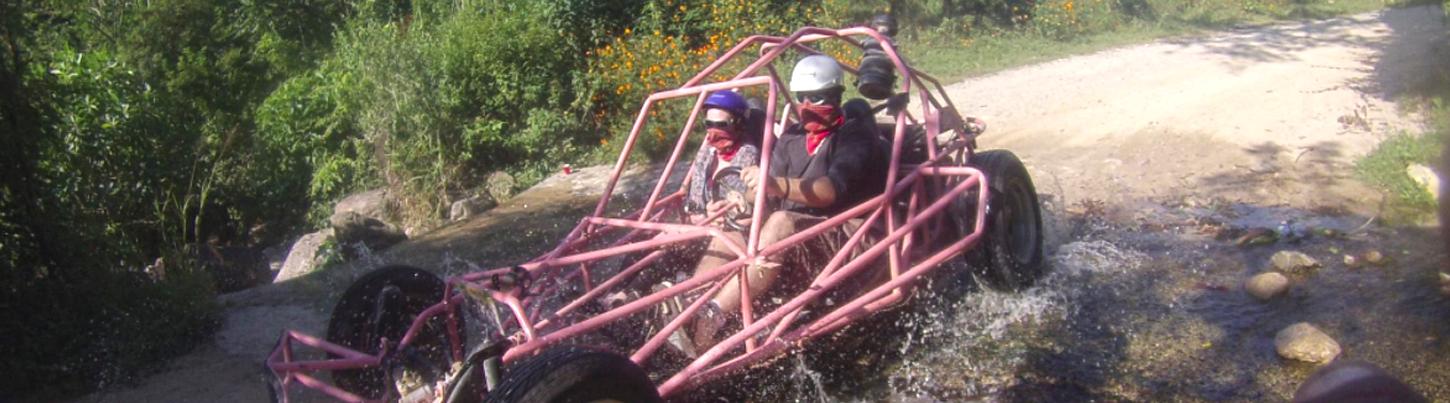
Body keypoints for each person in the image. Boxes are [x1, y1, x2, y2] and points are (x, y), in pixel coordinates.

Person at [687, 55, 887, 351]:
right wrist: (739, 201)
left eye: (817, 98)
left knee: (781, 221)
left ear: (836, 96)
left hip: (850, 234)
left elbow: (829, 190)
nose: (807, 106)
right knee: (730, 230)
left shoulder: (854, 135)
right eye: (801, 98)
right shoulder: (792, 137)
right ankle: (690, 308)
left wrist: (773, 184)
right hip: (801, 236)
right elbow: (766, 190)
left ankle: (712, 316)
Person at [684, 91, 760, 229]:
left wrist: (714, 216)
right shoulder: (706, 153)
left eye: (721, 125)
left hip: (733, 228)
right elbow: (694, 203)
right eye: (709, 124)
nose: (714, 132)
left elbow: (749, 208)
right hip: (700, 224)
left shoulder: (749, 156)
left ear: (739, 124)